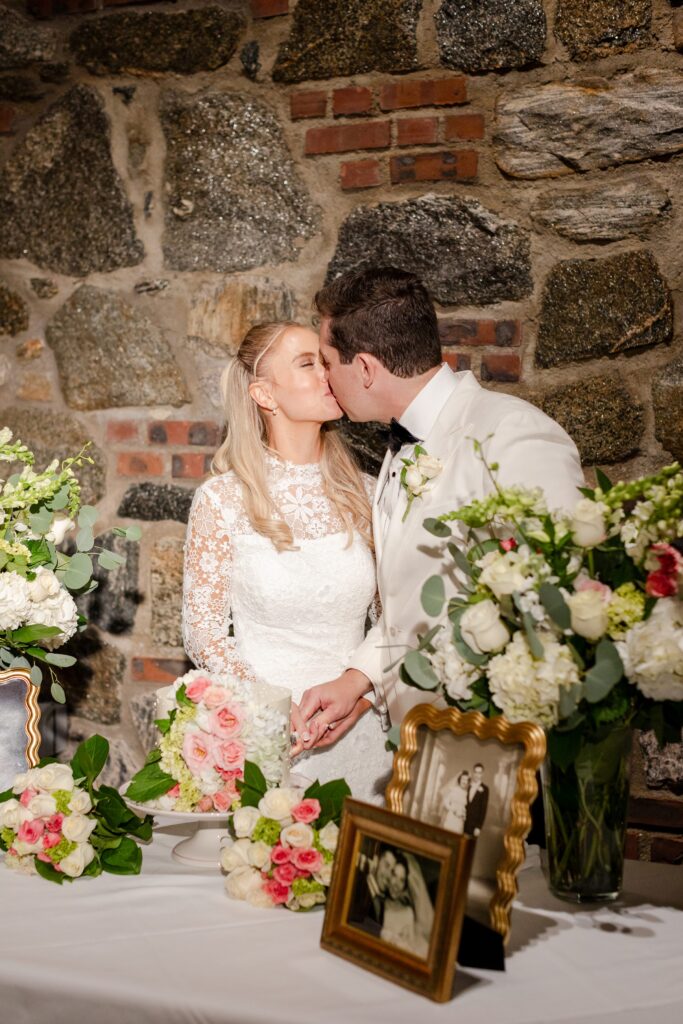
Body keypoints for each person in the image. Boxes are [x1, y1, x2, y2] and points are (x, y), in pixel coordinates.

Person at [297, 267, 585, 745]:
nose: (326, 379)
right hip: (425, 742)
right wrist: (360, 681)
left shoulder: (511, 434)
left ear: (365, 368)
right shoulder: (400, 448)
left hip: (497, 739)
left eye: (328, 363)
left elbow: (561, 597)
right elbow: (413, 601)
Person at [181, 321, 392, 802]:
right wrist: (280, 710)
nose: (326, 374)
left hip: (359, 738)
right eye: (306, 363)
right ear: (264, 394)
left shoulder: (367, 494)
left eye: (325, 360)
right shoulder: (222, 500)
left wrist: (361, 697)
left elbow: (395, 622)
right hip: (262, 738)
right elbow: (205, 634)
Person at [380, 851, 433, 959]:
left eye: (402, 880)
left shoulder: (408, 913)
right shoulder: (381, 904)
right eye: (394, 875)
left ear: (405, 886)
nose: (396, 884)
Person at [465, 763, 489, 836]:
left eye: (479, 773)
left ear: (482, 774)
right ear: (473, 773)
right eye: (475, 772)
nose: (477, 775)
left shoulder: (485, 789)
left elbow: (483, 809)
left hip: (473, 825)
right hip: (463, 821)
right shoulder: (467, 785)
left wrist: (478, 827)